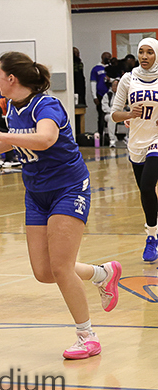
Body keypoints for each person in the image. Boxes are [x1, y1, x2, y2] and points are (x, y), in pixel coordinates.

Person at [0, 52, 122, 360]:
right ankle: (102, 273)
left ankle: (87, 336)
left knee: (61, 267)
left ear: (12, 79)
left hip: (68, 187)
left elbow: (45, 138)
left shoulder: (46, 104)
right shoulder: (13, 108)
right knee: (45, 271)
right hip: (36, 192)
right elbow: (16, 140)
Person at [110, 38, 158, 262]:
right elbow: (114, 114)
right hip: (137, 140)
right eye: (141, 52)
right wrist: (130, 113)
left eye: (150, 52)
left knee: (148, 185)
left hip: (156, 141)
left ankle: (151, 237)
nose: (145, 56)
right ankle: (153, 228)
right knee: (145, 192)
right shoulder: (128, 79)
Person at [91, 51, 111, 135]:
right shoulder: (96, 69)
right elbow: (93, 83)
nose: (108, 59)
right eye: (107, 57)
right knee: (101, 116)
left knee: (111, 115)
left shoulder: (111, 68)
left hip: (110, 94)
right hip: (100, 94)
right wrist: (94, 96)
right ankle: (101, 134)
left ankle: (110, 135)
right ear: (102, 57)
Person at [101, 79, 119, 148]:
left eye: (116, 85)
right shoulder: (107, 95)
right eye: (114, 85)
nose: (115, 87)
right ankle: (112, 140)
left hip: (121, 113)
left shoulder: (123, 95)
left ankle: (128, 137)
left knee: (131, 117)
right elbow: (104, 107)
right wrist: (113, 112)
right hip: (109, 113)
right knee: (111, 118)